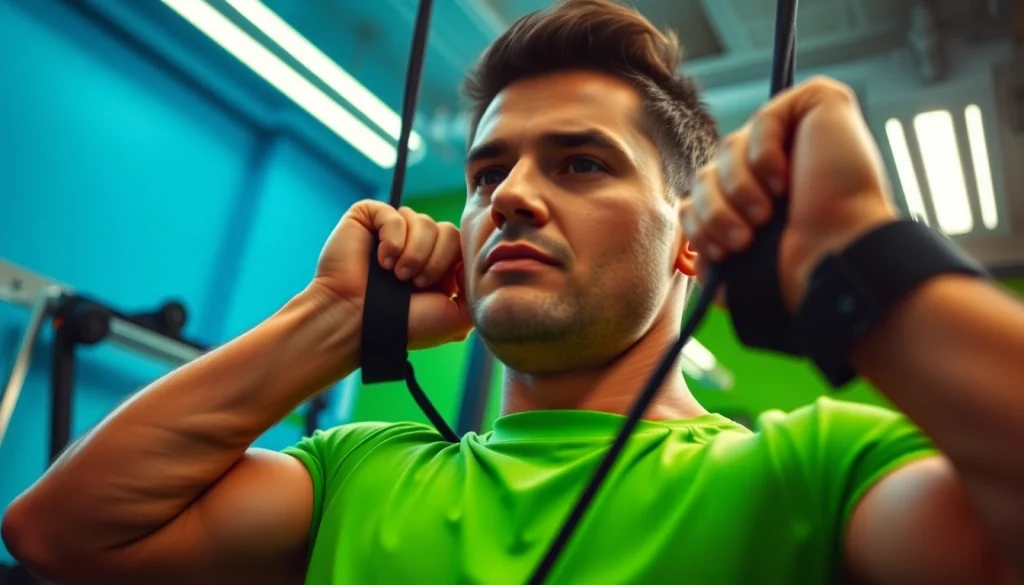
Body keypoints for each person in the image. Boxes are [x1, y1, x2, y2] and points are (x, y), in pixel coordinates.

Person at [3, 0, 1023, 583]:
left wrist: (861, 257)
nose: (511, 198)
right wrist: (334, 322)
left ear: (690, 242)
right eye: (488, 173)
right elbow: (61, 533)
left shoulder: (808, 470)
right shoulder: (357, 473)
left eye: (580, 163)